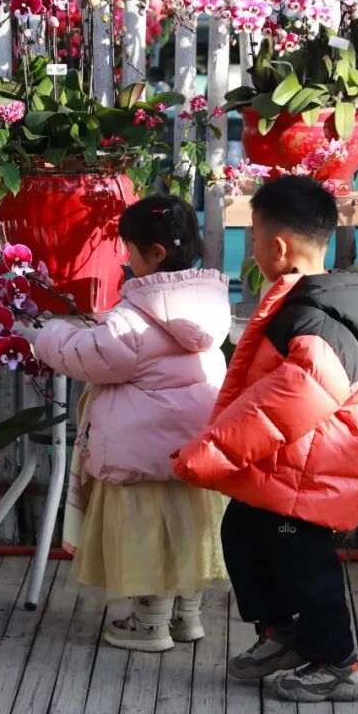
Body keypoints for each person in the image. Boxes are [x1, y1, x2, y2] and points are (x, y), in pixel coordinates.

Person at [172, 176, 358, 702]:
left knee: (307, 570)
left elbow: (279, 407)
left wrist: (208, 453)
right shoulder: (301, 304)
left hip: (307, 481)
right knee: (243, 534)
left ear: (276, 248)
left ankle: (337, 663)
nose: (251, 247)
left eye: (252, 238)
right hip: (283, 473)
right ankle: (283, 634)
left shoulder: (320, 323)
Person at [34, 194, 231, 653]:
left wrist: (48, 333)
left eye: (129, 250)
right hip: (193, 457)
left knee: (146, 543)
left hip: (141, 460)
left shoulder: (132, 318)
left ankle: (150, 624)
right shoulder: (211, 306)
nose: (126, 258)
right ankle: (187, 617)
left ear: (155, 253)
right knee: (189, 539)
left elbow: (85, 356)